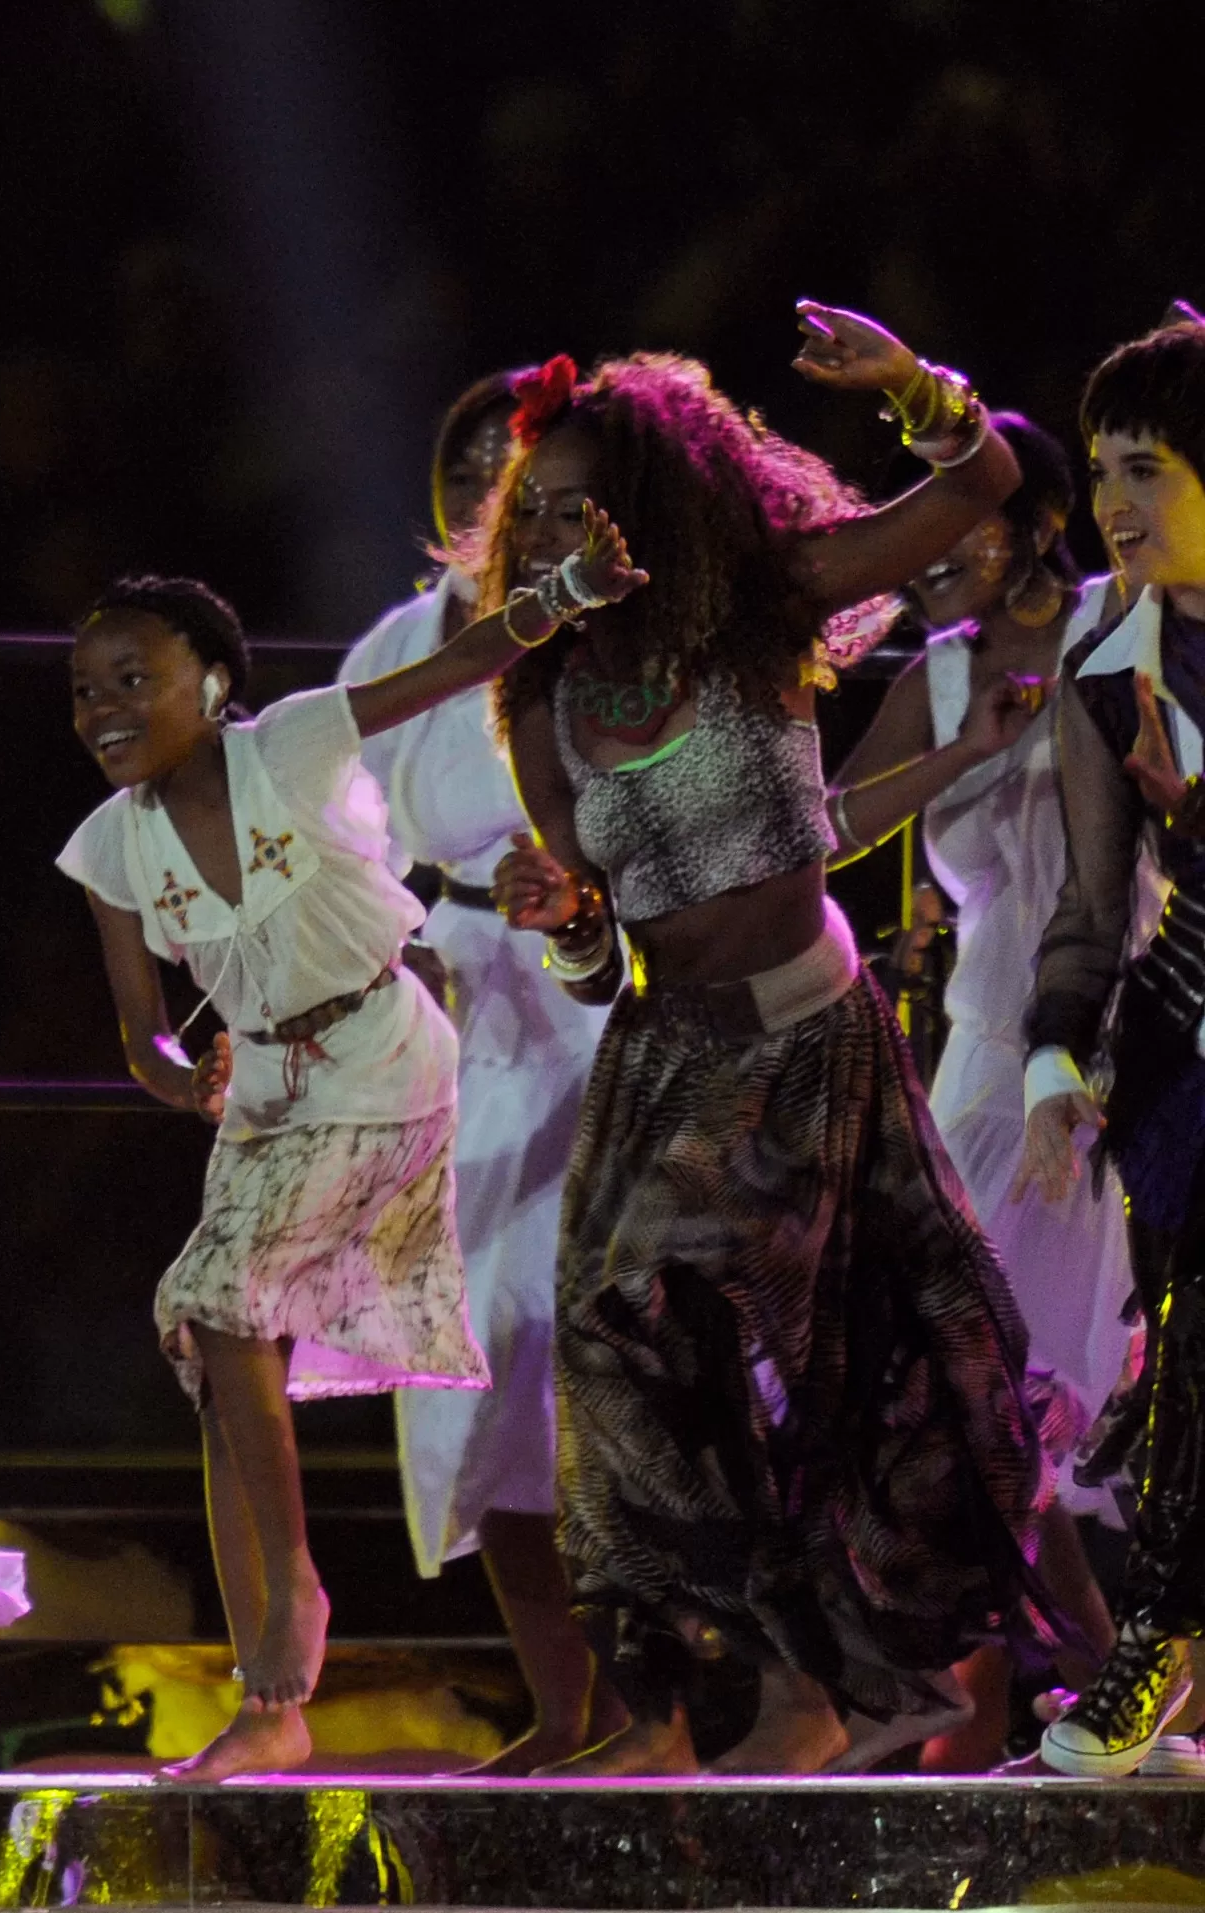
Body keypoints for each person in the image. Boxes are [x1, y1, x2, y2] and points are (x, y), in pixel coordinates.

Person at [487, 312, 1056, 1776]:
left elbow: (979, 487)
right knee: (622, 1361)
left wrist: (921, 393)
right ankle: (676, 1716)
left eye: (580, 503)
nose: (552, 532)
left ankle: (819, 1697)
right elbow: (599, 952)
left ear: (654, 506)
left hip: (808, 1044)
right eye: (529, 513)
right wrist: (562, 916)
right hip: (663, 1062)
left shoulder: (765, 604)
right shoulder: (541, 695)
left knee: (769, 1348)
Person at [59, 516, 647, 1778]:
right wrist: (179, 1078)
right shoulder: (108, 846)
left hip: (385, 1054)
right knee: (221, 1372)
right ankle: (270, 1706)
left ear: (210, 686)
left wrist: (564, 593)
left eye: (132, 679)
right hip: (268, 1094)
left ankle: (296, 1605)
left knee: (216, 1301)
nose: (103, 707)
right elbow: (140, 1036)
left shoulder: (292, 745)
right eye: (84, 690)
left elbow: (458, 662)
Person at [824, 413, 1131, 1767]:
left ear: (1035, 524)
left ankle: (1104, 1686)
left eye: (963, 525)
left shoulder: (1123, 635)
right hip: (978, 1059)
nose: (933, 554)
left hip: (1118, 1042)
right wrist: (970, 746)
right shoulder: (942, 679)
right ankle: (1022, 1697)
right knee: (957, 1378)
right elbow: (831, 824)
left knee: (1079, 1383)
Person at [334, 368, 621, 1773]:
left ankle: (653, 1702)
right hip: (444, 1018)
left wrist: (569, 892)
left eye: (500, 490)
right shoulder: (393, 648)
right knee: (469, 1384)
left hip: (586, 1005)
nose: (475, 511)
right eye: (460, 483)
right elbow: (332, 850)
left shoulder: (588, 646)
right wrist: (395, 966)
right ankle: (565, 1706)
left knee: (572, 1349)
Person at [1019, 316, 1205, 1778]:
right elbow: (1093, 904)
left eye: (1144, 465)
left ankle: (1156, 1652)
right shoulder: (1107, 656)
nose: (1113, 502)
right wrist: (1051, 1068)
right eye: (1100, 474)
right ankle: (1153, 1652)